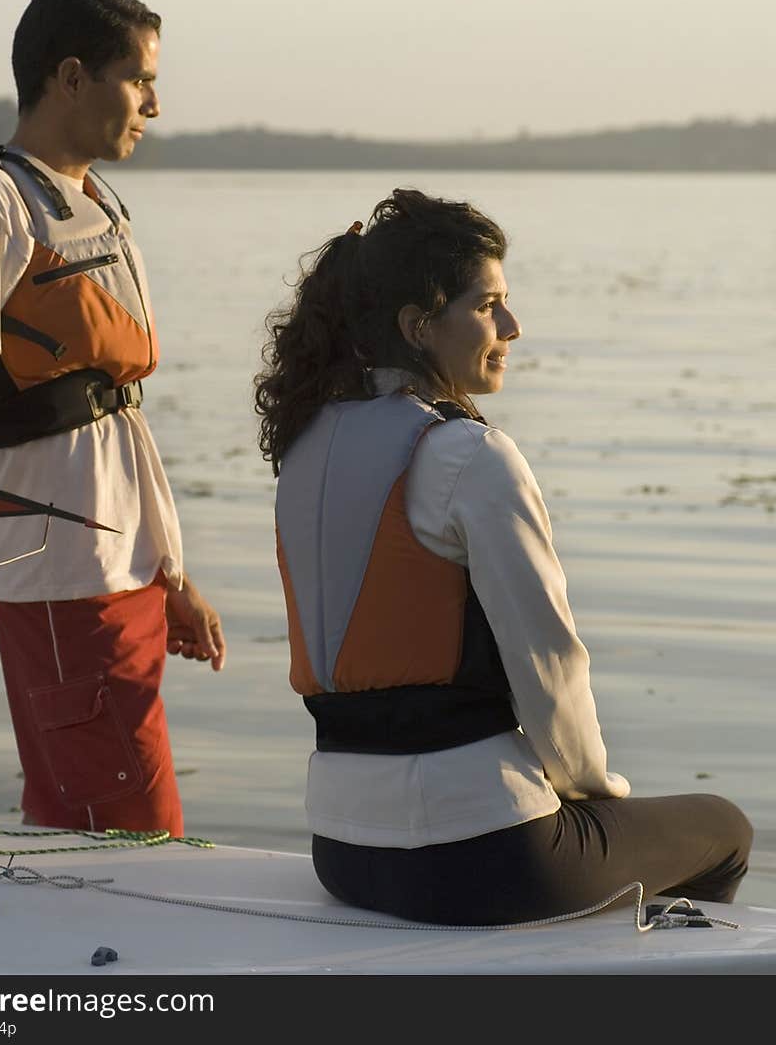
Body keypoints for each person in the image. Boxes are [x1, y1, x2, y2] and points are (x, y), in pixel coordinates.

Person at [254, 187, 751, 925]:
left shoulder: (303, 448)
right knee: (724, 829)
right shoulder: (468, 454)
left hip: (344, 853)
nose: (512, 326)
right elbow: (550, 666)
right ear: (419, 326)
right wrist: (590, 787)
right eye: (488, 305)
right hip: (479, 857)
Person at [0, 0, 225, 838]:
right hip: (58, 573)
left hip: (122, 566)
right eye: (138, 77)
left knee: (116, 818)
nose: (153, 102)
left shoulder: (94, 205)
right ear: (72, 77)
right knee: (122, 825)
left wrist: (171, 572)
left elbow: (114, 413)